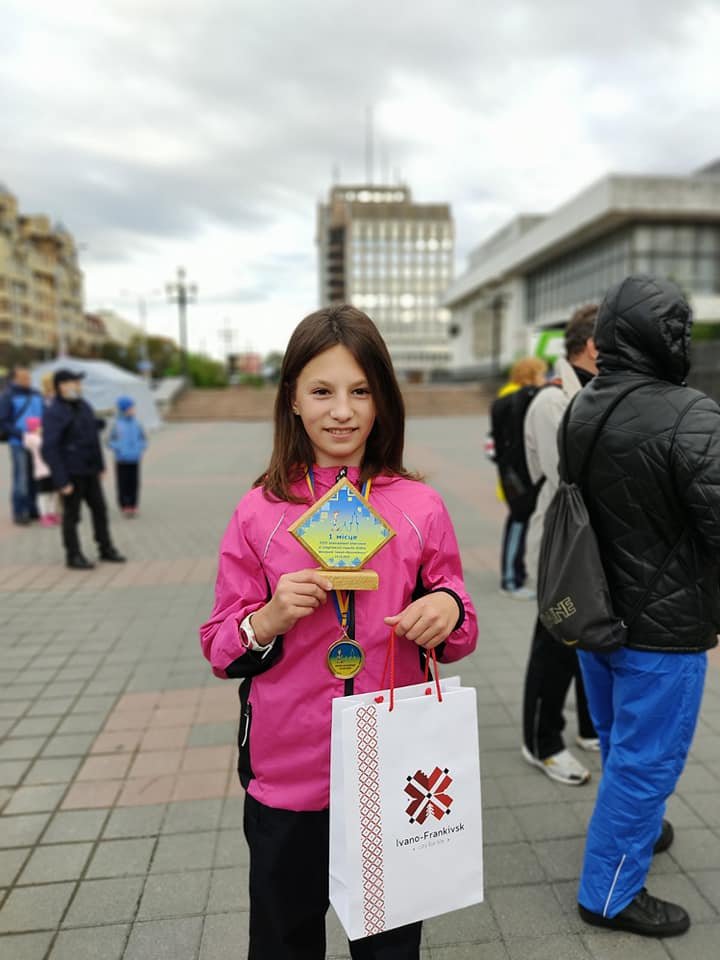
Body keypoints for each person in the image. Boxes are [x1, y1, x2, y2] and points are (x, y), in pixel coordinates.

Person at [200, 304, 478, 960]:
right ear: (292, 398)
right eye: (322, 391)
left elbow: (460, 622)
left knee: (389, 947)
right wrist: (267, 619)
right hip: (288, 775)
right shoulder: (260, 510)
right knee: (283, 941)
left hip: (396, 772)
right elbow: (218, 644)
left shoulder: (420, 505)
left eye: (361, 391)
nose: (343, 412)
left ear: (384, 400)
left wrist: (446, 609)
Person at [563, 275, 720, 938]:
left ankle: (640, 829)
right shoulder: (692, 414)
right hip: (664, 629)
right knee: (645, 760)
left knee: (620, 743)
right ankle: (609, 894)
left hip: (595, 613)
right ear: (664, 337)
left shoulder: (583, 405)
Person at [520, 306, 599, 785]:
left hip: (593, 547)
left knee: (592, 639)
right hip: (562, 548)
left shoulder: (597, 391)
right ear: (592, 345)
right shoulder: (553, 401)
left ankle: (590, 727)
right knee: (556, 644)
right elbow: (570, 475)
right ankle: (541, 740)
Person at [42, 369, 126, 570]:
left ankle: (105, 548)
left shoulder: (83, 405)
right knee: (72, 515)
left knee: (100, 509)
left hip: (89, 470)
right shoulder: (54, 412)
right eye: (75, 382)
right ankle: (73, 554)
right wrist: (61, 480)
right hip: (71, 472)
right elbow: (50, 448)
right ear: (62, 386)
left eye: (79, 383)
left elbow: (92, 438)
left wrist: (100, 465)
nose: (79, 386)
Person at [490, 356, 548, 598]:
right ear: (531, 375)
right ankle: (510, 580)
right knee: (518, 520)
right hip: (520, 474)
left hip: (509, 474)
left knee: (518, 520)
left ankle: (516, 574)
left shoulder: (504, 398)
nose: (544, 379)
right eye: (541, 373)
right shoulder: (521, 399)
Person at [0, 365, 44, 524]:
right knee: (21, 478)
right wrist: (21, 434)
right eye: (23, 377)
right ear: (15, 379)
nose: (28, 380)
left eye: (28, 377)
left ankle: (33, 508)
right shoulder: (8, 396)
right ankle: (20, 511)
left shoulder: (36, 394)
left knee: (35, 477)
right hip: (19, 442)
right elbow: (3, 422)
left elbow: (44, 414)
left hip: (37, 441)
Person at [107, 395, 147, 516]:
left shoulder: (137, 423)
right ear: (123, 410)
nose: (133, 410)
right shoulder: (116, 424)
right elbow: (109, 441)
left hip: (135, 458)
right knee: (123, 483)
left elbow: (143, 438)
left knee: (134, 483)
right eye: (130, 408)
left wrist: (140, 448)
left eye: (133, 408)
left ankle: (133, 505)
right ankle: (125, 505)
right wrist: (119, 448)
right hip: (122, 459)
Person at [22, 416, 59, 527]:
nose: (42, 428)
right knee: (43, 495)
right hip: (42, 472)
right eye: (39, 426)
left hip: (51, 470)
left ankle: (52, 513)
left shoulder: (41, 437)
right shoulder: (33, 439)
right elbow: (42, 444)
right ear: (34, 428)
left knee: (54, 493)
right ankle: (44, 515)